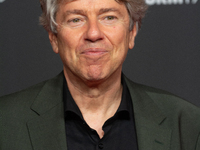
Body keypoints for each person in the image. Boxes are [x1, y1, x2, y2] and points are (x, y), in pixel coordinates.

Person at [0, 0, 200, 149]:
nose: (93, 33)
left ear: (132, 32)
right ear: (53, 38)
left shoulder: (187, 124)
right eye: (76, 19)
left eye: (109, 17)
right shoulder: (5, 123)